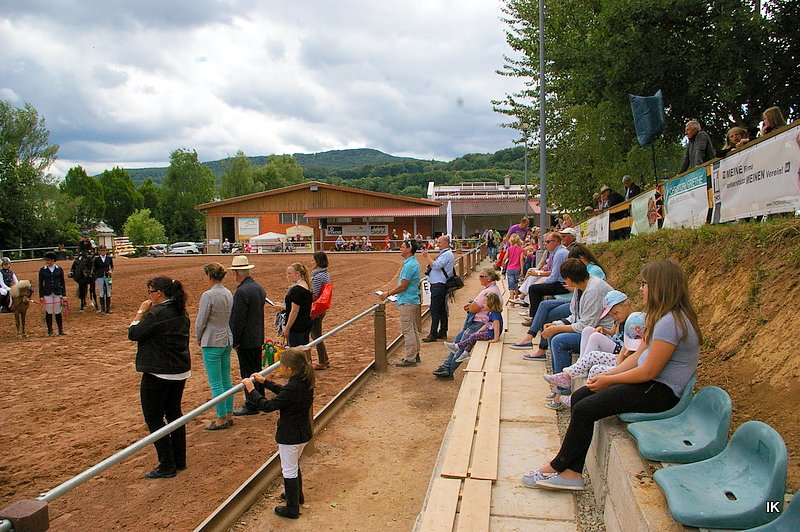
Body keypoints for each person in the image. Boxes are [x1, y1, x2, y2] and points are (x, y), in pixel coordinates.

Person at [521, 259, 701, 491]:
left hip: (660, 392)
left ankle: (560, 466)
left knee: (586, 408)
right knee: (580, 397)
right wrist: (611, 373)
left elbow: (649, 370)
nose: (640, 288)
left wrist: (610, 379)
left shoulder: (671, 323)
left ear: (660, 286)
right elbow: (637, 358)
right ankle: (572, 472)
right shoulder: (661, 317)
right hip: (649, 384)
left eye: (644, 284)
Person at [128, 276, 191, 479]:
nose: (148, 296)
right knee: (174, 414)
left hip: (158, 372)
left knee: (154, 418)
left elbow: (134, 333)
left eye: (150, 292)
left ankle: (166, 464)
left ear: (159, 293)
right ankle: (179, 459)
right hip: (179, 371)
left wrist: (140, 312)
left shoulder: (156, 314)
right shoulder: (181, 311)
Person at [242, 348, 314, 519]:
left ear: (289, 369)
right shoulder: (304, 381)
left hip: (290, 436)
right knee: (293, 465)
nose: (280, 369)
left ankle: (292, 509)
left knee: (289, 470)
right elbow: (285, 393)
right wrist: (265, 382)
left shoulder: (294, 387)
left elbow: (267, 406)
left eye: (282, 367)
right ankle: (296, 496)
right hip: (303, 432)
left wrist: (252, 390)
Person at [545, 311, 645, 409]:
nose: (614, 317)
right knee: (593, 354)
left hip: (628, 369)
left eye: (615, 313)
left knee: (596, 370)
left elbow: (628, 362)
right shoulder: (626, 323)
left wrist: (623, 357)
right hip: (622, 361)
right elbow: (623, 353)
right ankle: (567, 376)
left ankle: (579, 398)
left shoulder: (645, 344)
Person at [433, 268, 503, 379]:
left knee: (461, 344)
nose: (479, 278)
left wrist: (471, 307)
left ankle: (449, 370)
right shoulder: (493, 289)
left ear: (488, 278)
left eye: (482, 276)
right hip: (480, 322)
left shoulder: (489, 291)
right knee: (458, 341)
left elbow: (475, 308)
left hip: (479, 322)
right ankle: (446, 366)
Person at [195, 263, 234, 431]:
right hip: (226, 338)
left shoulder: (208, 295)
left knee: (216, 382)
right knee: (226, 379)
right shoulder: (228, 293)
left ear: (209, 276)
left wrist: (199, 337)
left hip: (212, 340)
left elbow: (201, 321)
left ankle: (221, 417)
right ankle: (229, 413)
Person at [228, 255, 267, 416]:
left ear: (237, 273)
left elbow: (238, 320)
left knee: (248, 372)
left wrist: (234, 341)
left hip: (246, 340)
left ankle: (252, 403)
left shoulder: (242, 291)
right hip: (257, 337)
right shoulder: (258, 288)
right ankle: (260, 399)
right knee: (257, 369)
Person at [379, 240, 421, 367]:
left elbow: (403, 286)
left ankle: (410, 358)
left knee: (408, 330)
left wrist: (388, 293)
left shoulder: (410, 265)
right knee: (412, 329)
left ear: (409, 249)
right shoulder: (412, 263)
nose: (400, 248)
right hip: (410, 299)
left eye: (403, 247)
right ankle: (415, 354)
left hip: (407, 300)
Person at [443, 292, 503, 363]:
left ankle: (458, 347)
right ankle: (465, 352)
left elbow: (496, 327)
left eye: (484, 303)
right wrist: (480, 330)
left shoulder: (495, 315)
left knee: (473, 336)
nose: (483, 305)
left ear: (491, 304)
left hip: (491, 335)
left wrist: (495, 338)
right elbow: (487, 324)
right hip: (490, 333)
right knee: (474, 336)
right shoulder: (490, 312)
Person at [526, 232, 570, 317]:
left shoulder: (559, 254)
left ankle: (535, 317)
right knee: (535, 284)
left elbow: (554, 276)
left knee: (534, 289)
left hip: (563, 284)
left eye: (547, 242)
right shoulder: (557, 252)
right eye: (545, 242)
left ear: (556, 242)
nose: (545, 244)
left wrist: (543, 282)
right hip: (561, 282)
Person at [421, 235, 455, 342]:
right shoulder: (446, 254)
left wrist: (427, 256)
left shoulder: (447, 254)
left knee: (435, 309)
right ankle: (442, 331)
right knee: (441, 310)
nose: (438, 244)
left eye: (440, 242)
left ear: (446, 243)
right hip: (438, 284)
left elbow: (436, 265)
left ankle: (433, 333)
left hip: (439, 285)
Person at [274, 263, 313, 349]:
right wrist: (283, 306)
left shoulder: (296, 290)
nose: (287, 276)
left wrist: (287, 329)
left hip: (296, 328)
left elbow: (294, 311)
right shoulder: (306, 287)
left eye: (289, 273)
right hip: (304, 325)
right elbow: (300, 307)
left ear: (297, 274)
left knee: (296, 353)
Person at [309, 252, 331, 370]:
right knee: (317, 334)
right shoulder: (325, 274)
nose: (311, 263)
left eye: (313, 261)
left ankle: (322, 361)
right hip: (321, 308)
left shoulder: (318, 277)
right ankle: (325, 359)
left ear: (317, 262)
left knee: (316, 335)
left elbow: (314, 295)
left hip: (316, 309)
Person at [38, 251, 67, 336]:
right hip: (47, 292)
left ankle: (60, 330)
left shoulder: (59, 269)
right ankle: (50, 330)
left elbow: (62, 282)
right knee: (49, 311)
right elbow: (40, 283)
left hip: (58, 292)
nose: (47, 261)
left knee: (58, 311)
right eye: (46, 260)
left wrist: (64, 294)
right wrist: (41, 295)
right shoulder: (42, 270)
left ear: (53, 260)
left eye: (49, 260)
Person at [92, 244, 114, 314]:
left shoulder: (109, 258)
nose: (103, 252)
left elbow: (112, 267)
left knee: (108, 291)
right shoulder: (96, 259)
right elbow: (94, 269)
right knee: (101, 291)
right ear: (99, 251)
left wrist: (111, 271)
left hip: (108, 276)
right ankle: (102, 309)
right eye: (102, 251)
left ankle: (108, 308)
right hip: (100, 276)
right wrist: (97, 276)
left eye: (104, 251)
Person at [503, 234, 525, 300]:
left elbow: (504, 258)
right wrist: (522, 270)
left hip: (510, 268)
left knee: (511, 285)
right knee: (516, 282)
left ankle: (512, 298)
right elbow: (521, 260)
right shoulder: (521, 249)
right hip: (517, 268)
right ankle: (516, 295)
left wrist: (504, 265)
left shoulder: (509, 249)